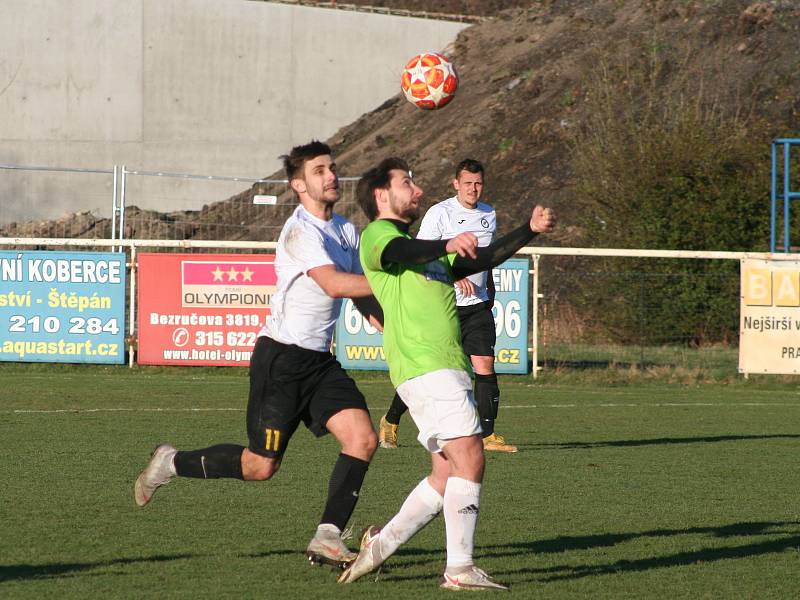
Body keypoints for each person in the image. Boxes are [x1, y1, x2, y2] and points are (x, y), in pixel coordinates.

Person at [134, 140, 382, 570]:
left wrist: (391, 328)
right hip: (281, 363)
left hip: (320, 364)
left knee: (362, 439)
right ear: (298, 185)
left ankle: (327, 536)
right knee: (260, 467)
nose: (331, 176)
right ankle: (169, 463)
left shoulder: (345, 230)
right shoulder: (301, 231)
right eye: (320, 170)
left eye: (332, 168)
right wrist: (400, 285)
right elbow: (336, 285)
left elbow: (358, 294)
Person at [339, 157, 555, 590]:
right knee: (472, 456)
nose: (417, 190)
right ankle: (459, 569)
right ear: (382, 195)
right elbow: (402, 251)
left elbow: (486, 257)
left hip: (441, 367)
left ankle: (380, 545)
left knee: (444, 473)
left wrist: (528, 230)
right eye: (407, 182)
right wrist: (444, 244)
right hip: (427, 366)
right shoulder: (382, 237)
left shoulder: (422, 250)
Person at [378, 159, 517, 453]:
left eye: (478, 183)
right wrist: (454, 279)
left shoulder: (488, 213)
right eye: (467, 183)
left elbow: (487, 258)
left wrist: (488, 292)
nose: (473, 189)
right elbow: (421, 256)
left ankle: (487, 435)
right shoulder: (440, 213)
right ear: (456, 184)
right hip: (444, 306)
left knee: (484, 364)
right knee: (432, 370)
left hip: (477, 306)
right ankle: (390, 421)